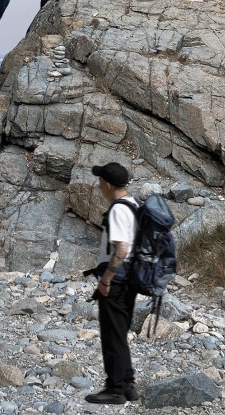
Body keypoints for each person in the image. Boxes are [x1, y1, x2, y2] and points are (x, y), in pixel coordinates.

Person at [86, 162, 139, 405]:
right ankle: (128, 385)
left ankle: (115, 389)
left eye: (100, 182)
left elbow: (121, 250)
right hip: (130, 278)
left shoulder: (118, 209)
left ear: (107, 184)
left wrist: (106, 280)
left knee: (111, 335)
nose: (99, 186)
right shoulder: (134, 205)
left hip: (116, 280)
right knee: (120, 332)